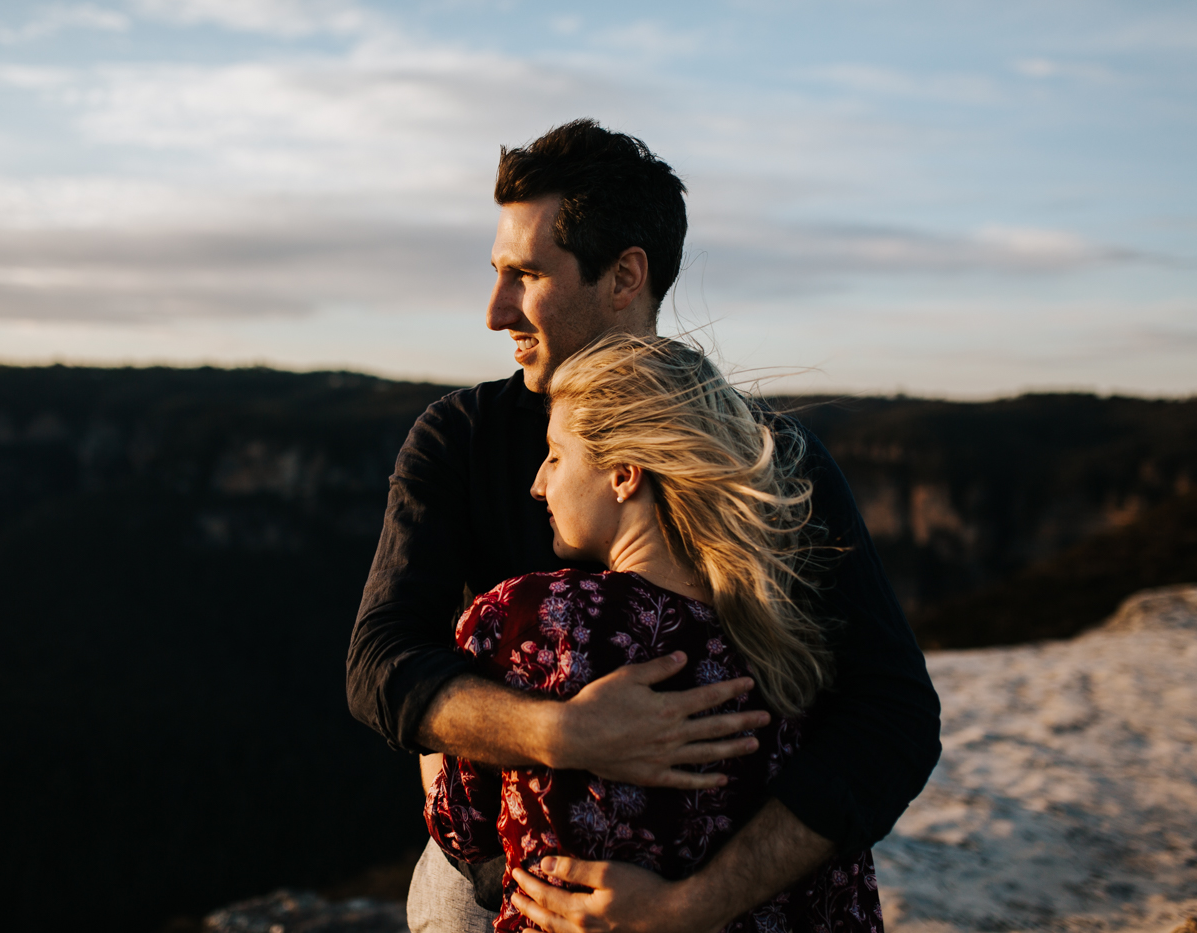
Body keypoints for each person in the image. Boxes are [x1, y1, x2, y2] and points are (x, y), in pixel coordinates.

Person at [346, 120, 940, 933]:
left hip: (729, 881)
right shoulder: (462, 438)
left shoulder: (771, 460)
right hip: (504, 880)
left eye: (525, 274)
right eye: (497, 273)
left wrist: (690, 906)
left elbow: (893, 715)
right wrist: (567, 733)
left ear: (625, 275)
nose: (494, 311)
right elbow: (382, 664)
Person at [424, 333, 881, 933]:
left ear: (623, 474)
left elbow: (460, 824)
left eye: (556, 456)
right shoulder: (790, 640)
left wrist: (455, 663)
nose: (538, 483)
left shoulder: (530, 621)